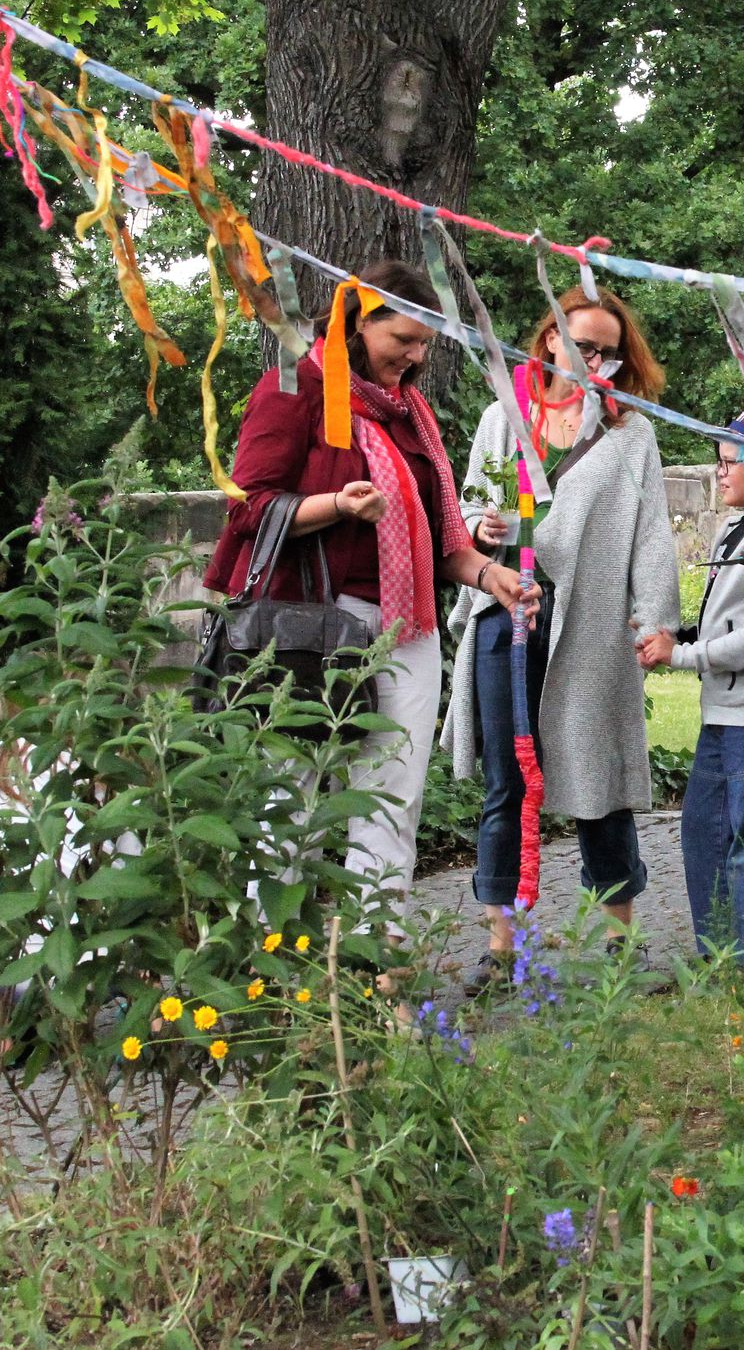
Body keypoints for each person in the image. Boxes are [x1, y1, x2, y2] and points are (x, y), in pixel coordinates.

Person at [205, 262, 529, 930]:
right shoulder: (296, 389)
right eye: (403, 340)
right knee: (285, 801)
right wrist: (334, 505)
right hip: (308, 629)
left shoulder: (413, 412)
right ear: (357, 322)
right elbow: (246, 506)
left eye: (424, 345)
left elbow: (437, 536)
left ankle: (371, 966)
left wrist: (485, 573)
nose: (414, 357)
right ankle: (275, 972)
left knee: (390, 800)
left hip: (405, 629)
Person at [447, 287, 682, 983]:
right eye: (584, 344)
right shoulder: (503, 416)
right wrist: (479, 532)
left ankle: (620, 942)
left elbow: (651, 533)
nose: (596, 360)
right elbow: (462, 506)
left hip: (589, 625)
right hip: (506, 616)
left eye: (609, 351)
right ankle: (503, 944)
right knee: (506, 782)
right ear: (551, 339)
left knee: (596, 775)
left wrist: (657, 617)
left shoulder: (628, 433)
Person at [637, 407, 744, 964]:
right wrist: (679, 634)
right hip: (725, 710)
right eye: (718, 459)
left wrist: (682, 655)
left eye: (732, 462)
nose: (720, 472)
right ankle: (718, 955)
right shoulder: (737, 528)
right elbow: (727, 619)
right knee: (704, 833)